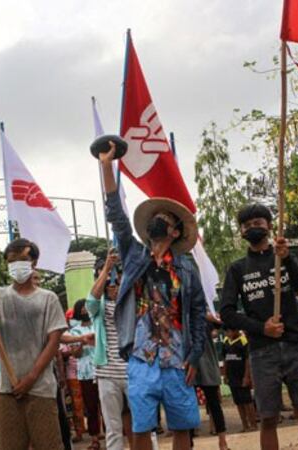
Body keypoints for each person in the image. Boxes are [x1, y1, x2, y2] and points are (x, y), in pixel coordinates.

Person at [99, 144, 207, 450]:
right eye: (154, 218)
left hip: (177, 357)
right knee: (141, 426)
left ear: (174, 232)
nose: (157, 221)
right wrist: (107, 167)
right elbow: (116, 216)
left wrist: (195, 355)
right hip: (140, 357)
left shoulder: (186, 267)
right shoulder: (134, 255)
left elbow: (197, 313)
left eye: (164, 220)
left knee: (183, 426)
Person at [220, 203, 298, 450]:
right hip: (261, 352)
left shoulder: (284, 257)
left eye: (258, 223)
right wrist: (260, 328)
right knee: (267, 418)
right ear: (241, 232)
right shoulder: (237, 269)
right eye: (247, 226)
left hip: (295, 346)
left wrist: (287, 258)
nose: (253, 228)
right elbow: (227, 313)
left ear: (268, 226)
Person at [0, 238, 68, 450]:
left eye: (23, 259)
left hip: (41, 388)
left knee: (49, 445)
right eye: (12, 260)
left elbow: (53, 342)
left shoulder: (48, 298)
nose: (17, 264)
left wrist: (31, 377)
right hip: (6, 390)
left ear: (34, 262)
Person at [86, 252, 134, 450]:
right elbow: (91, 300)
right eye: (106, 278)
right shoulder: (98, 307)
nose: (112, 282)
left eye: (116, 275)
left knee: (143, 424)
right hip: (107, 373)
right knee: (113, 428)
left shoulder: (133, 300)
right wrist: (106, 269)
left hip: (133, 371)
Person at [68, 300, 101, 450]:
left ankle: (114, 433)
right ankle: (94, 439)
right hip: (86, 373)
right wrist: (82, 341)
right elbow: (75, 353)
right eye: (80, 309)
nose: (83, 311)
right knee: (91, 406)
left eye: (85, 308)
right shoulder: (74, 331)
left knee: (107, 404)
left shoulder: (98, 324)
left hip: (103, 369)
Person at [194, 314, 229, 450]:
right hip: (191, 367)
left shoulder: (204, 318)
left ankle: (223, 441)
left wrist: (209, 316)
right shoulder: (183, 318)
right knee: (190, 404)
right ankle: (189, 440)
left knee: (214, 404)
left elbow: (220, 323)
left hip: (207, 366)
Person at [221, 328, 255, 432]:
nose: (228, 333)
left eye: (230, 331)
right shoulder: (226, 341)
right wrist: (225, 375)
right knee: (238, 402)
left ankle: (253, 424)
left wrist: (247, 376)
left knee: (247, 401)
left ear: (236, 331)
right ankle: (245, 425)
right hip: (232, 376)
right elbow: (225, 358)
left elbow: (247, 360)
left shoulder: (243, 341)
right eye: (227, 331)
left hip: (241, 375)